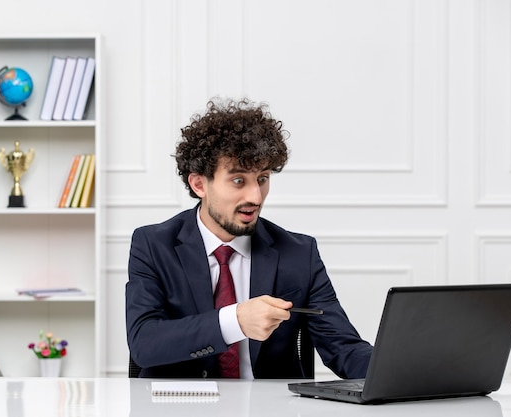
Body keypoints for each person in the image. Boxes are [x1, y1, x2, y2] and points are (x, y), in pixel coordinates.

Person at [126, 97, 373, 379]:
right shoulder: (154, 244)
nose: (255, 197)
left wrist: (405, 370)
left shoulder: (299, 253)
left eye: (263, 179)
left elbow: (344, 349)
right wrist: (235, 321)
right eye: (239, 180)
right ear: (198, 184)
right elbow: (144, 344)